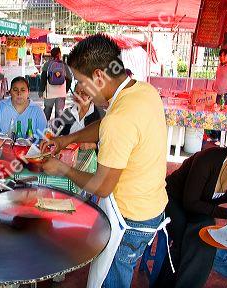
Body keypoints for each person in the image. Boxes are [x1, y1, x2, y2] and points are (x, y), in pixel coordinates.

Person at [39, 34, 169, 288]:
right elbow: (105, 124)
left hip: (131, 221)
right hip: (152, 206)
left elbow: (102, 186)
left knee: (110, 282)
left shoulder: (118, 120)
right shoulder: (142, 91)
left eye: (81, 82)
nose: (80, 89)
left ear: (98, 76)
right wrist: (66, 140)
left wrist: (61, 168)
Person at [155, 123, 227, 288]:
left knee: (205, 238)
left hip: (201, 207)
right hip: (172, 199)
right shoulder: (209, 159)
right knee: (184, 241)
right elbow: (190, 202)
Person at [56, 83, 104, 150]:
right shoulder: (67, 113)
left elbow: (107, 141)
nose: (79, 96)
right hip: (67, 156)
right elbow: (58, 135)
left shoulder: (100, 115)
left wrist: (93, 145)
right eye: (76, 93)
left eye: (83, 93)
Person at [39, 47, 72, 121]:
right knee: (59, 116)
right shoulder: (64, 65)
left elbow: (43, 79)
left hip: (49, 94)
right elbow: (69, 79)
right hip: (61, 94)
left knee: (46, 114)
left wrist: (41, 92)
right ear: (59, 54)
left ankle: (44, 129)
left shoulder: (47, 64)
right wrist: (65, 90)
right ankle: (57, 132)